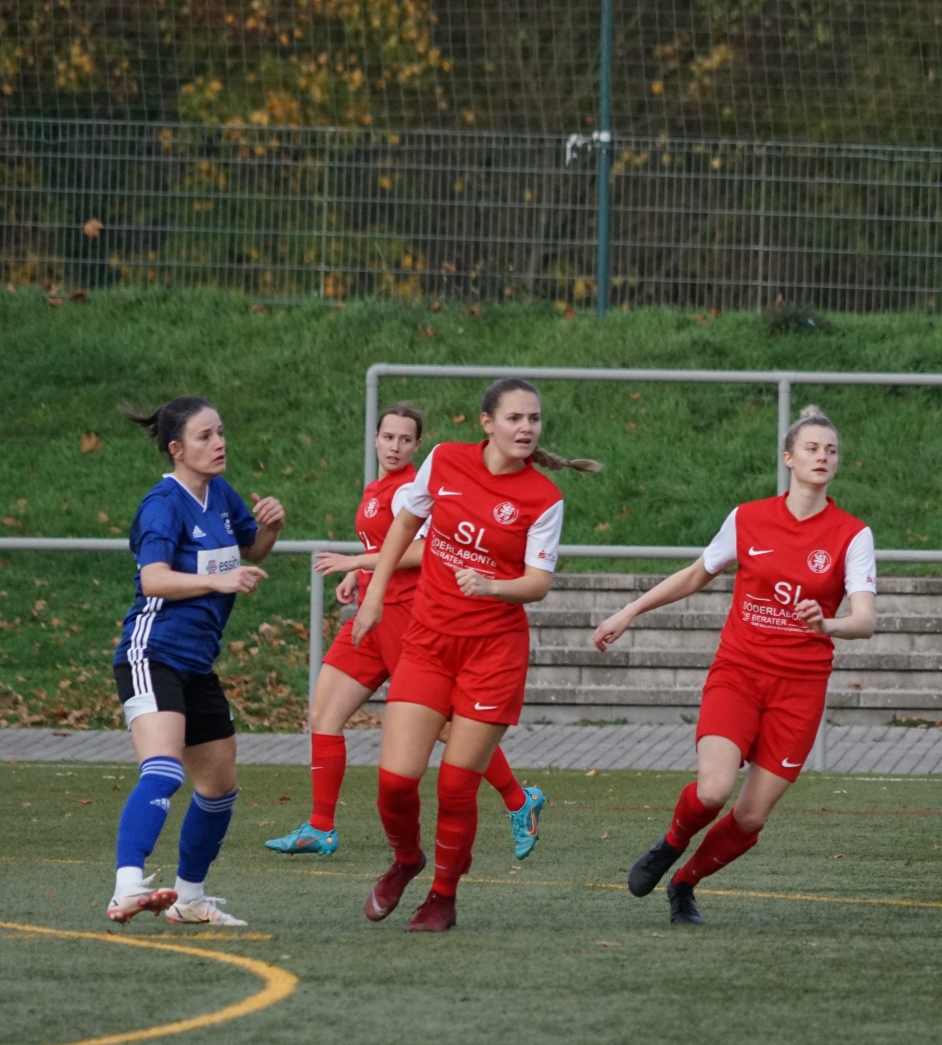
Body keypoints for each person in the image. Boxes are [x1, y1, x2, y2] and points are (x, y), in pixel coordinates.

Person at [594, 405, 877, 925]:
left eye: (831, 451)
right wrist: (630, 609)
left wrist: (827, 624)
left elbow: (864, 620)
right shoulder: (748, 517)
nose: (823, 457)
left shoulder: (852, 535)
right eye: (812, 448)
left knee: (749, 816)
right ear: (789, 458)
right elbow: (695, 574)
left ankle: (685, 883)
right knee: (714, 789)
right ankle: (670, 845)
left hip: (800, 687)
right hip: (740, 672)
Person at [351, 378, 599, 932]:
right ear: (487, 422)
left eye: (534, 419)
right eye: (514, 418)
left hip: (493, 655)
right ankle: (406, 859)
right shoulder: (443, 460)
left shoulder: (544, 498)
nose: (526, 428)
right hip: (429, 644)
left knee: (456, 784)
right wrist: (372, 595)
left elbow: (537, 584)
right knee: (395, 781)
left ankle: (442, 895)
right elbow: (403, 526)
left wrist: (493, 586)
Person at [263, 403, 548, 860]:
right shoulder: (377, 488)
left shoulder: (414, 488)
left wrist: (356, 563)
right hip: (370, 616)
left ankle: (520, 799)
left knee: (443, 731)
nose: (394, 446)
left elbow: (421, 551)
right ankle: (320, 826)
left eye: (405, 439)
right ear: (374, 439)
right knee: (324, 713)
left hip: (408, 616)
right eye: (387, 437)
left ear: (417, 445)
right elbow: (382, 546)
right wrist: (360, 577)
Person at [106, 396, 283, 927]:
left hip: (197, 664)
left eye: (221, 432)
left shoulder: (220, 494)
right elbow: (153, 579)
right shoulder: (162, 504)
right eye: (206, 436)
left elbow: (251, 552)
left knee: (219, 786)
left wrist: (271, 528)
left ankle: (189, 899)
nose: (220, 442)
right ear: (177, 449)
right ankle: (127, 888)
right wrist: (216, 580)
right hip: (151, 652)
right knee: (162, 769)